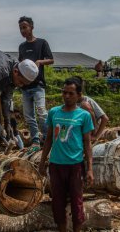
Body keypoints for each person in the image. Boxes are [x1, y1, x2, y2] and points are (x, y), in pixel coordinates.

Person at [39, 77, 94, 232]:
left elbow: (87, 144)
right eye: (64, 92)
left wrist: (89, 169)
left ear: (78, 95)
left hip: (75, 165)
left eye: (71, 93)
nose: (67, 96)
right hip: (56, 165)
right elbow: (49, 139)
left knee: (77, 202)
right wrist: (42, 162)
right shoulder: (54, 112)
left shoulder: (84, 116)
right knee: (57, 201)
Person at [18, 16, 54, 151]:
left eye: (25, 27)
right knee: (29, 116)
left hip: (38, 85)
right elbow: (21, 65)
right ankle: (35, 141)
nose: (22, 30)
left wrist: (40, 62)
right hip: (25, 87)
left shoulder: (42, 43)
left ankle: (47, 138)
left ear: (32, 27)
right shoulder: (22, 46)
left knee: (41, 112)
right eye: (21, 28)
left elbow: (51, 60)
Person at [73, 76, 109, 143]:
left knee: (84, 105)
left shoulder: (87, 101)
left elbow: (105, 118)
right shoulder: (70, 103)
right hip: (78, 131)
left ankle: (92, 133)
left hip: (90, 132)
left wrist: (96, 136)